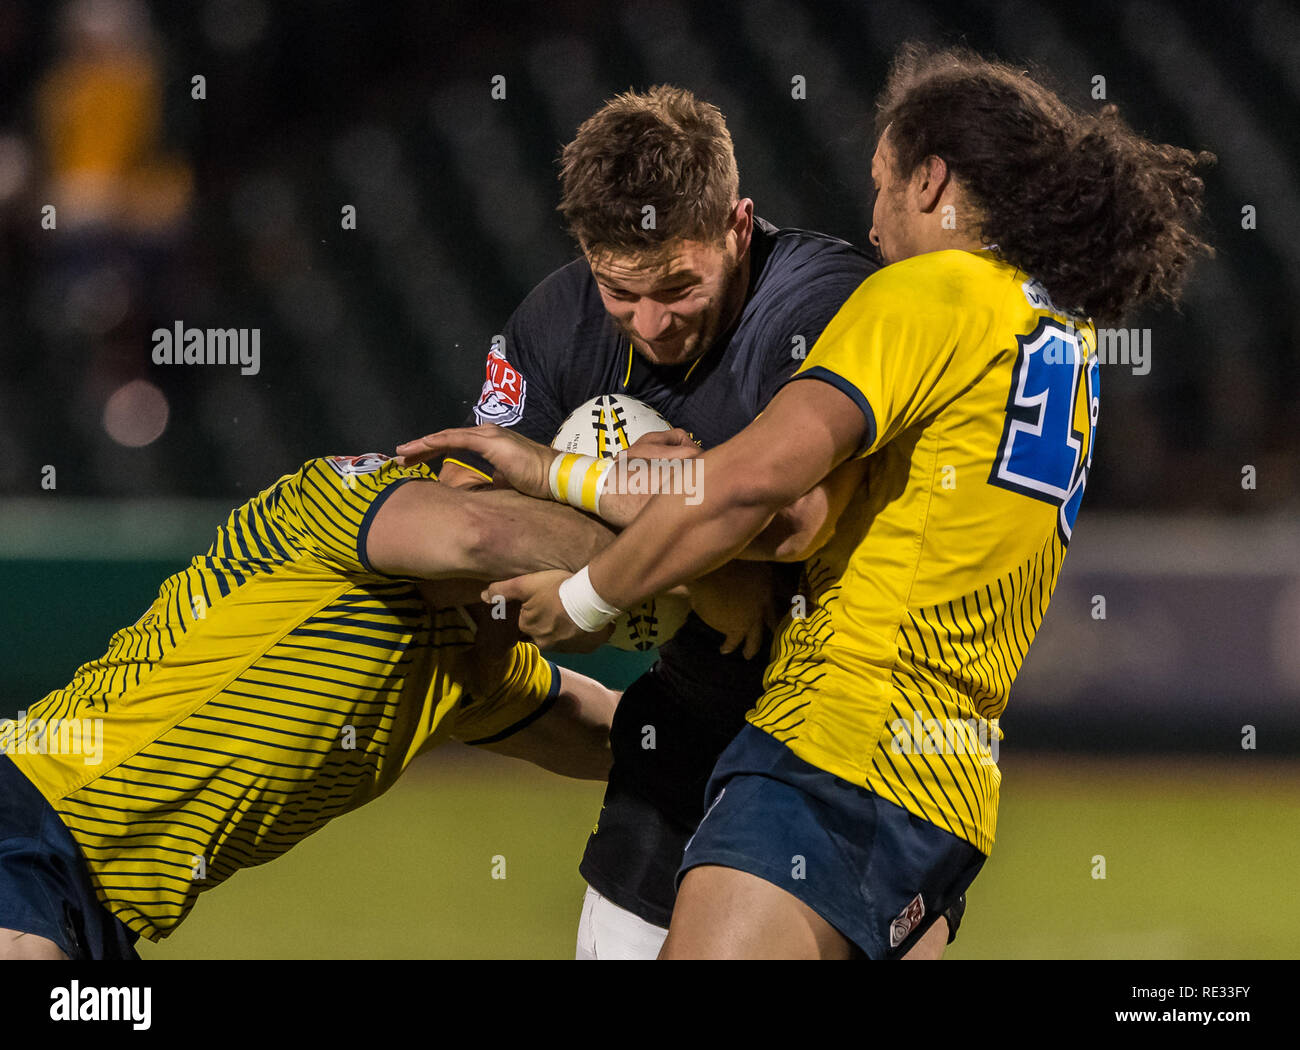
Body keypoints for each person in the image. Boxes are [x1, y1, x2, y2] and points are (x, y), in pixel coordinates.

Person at [410, 44, 1214, 958]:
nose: (871, 224)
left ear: (930, 180)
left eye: (879, 184)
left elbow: (751, 488)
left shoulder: (920, 293)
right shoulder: (1056, 330)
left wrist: (586, 574)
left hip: (838, 741)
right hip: (949, 775)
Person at [399, 85, 959, 957]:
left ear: (737, 227)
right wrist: (699, 574)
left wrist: (597, 520)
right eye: (621, 291)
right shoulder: (556, 324)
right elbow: (472, 517)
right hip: (692, 723)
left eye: (678, 287)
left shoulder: (827, 304)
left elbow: (791, 523)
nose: (652, 324)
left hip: (854, 743)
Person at [0, 451, 623, 960]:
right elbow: (478, 532)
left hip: (97, 912)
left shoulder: (477, 668)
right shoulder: (331, 504)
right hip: (27, 812)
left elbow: (629, 739)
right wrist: (652, 558)